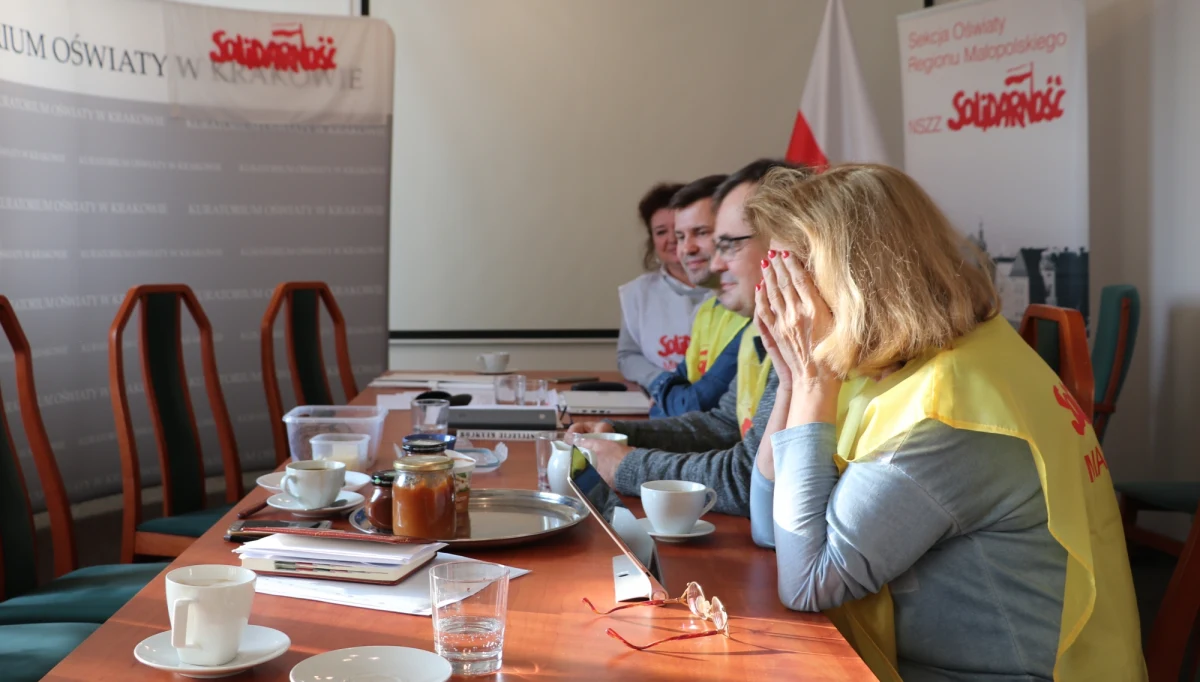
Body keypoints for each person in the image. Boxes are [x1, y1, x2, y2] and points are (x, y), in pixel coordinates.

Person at [747, 164, 1145, 681]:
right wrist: (793, 378)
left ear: (856, 279)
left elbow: (805, 582)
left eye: (795, 277)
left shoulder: (948, 408)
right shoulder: (902, 361)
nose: (785, 302)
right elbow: (769, 527)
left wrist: (813, 380)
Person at [569, 159, 806, 516]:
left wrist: (626, 464)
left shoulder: (813, 343)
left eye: (728, 244)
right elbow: (723, 424)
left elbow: (748, 478)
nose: (714, 263)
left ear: (788, 242)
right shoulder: (762, 325)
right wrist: (619, 434)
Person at [646, 174, 748, 417]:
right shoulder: (708, 308)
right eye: (681, 237)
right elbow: (667, 412)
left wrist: (665, 397)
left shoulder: (753, 311)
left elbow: (693, 406)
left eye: (701, 232)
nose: (686, 248)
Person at [616, 182, 710, 389]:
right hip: (660, 398)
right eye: (660, 232)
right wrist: (662, 383)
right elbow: (628, 356)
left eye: (679, 230)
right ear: (652, 241)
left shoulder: (729, 288)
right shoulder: (637, 293)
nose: (672, 240)